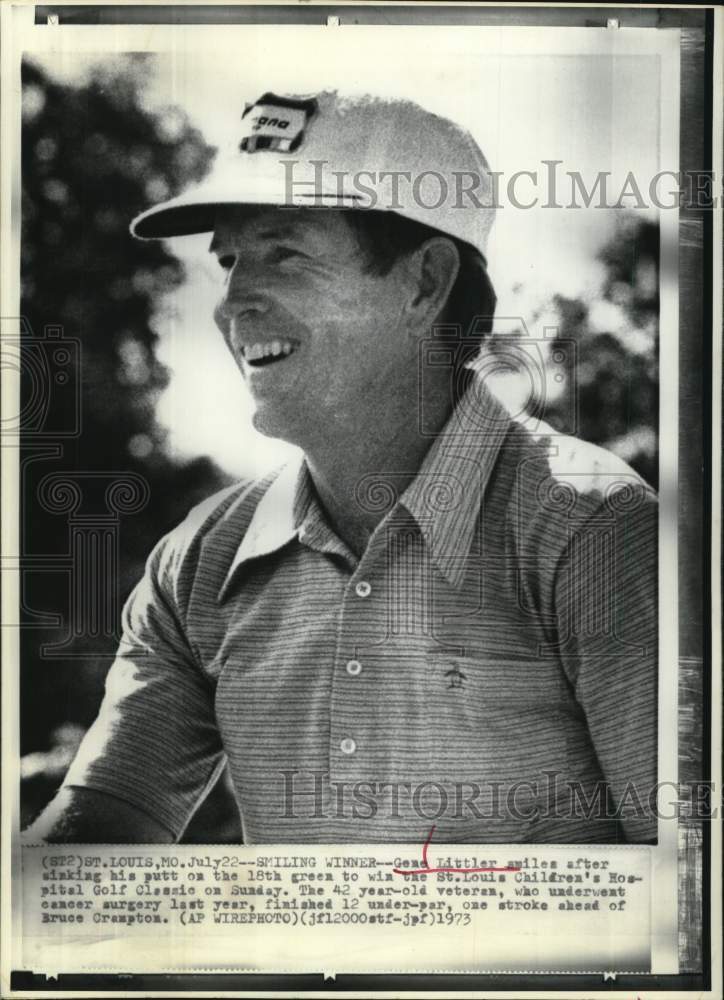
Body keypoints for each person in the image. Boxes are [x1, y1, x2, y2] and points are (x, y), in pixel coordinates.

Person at [26, 90, 658, 845]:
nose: (233, 303)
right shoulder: (196, 566)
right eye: (229, 261)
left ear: (425, 282)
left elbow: (690, 899)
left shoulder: (596, 532)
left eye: (283, 252)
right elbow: (96, 836)